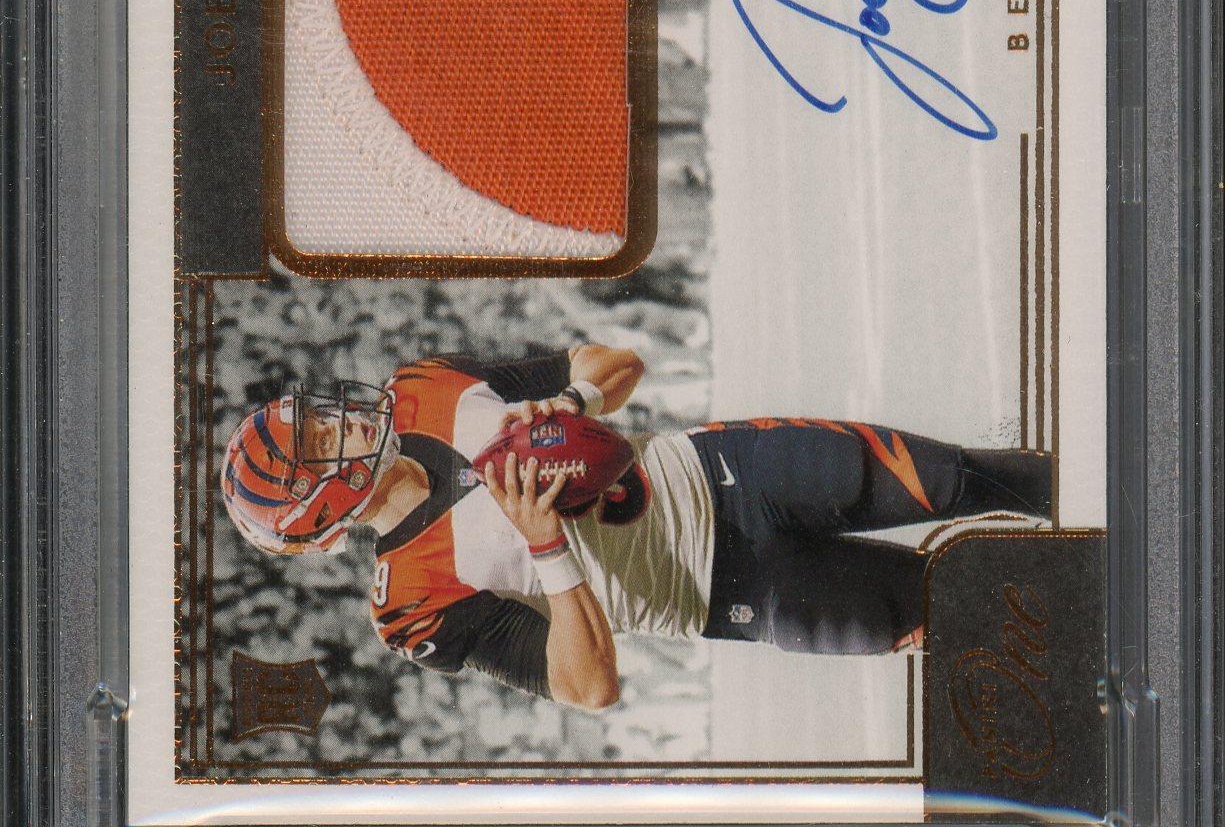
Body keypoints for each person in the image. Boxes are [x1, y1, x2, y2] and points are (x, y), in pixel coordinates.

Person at [221, 342, 1051, 709]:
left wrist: (571, 399)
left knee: (983, 479)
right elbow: (587, 688)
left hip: (726, 470)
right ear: (319, 506)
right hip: (734, 591)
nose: (338, 420)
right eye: (318, 440)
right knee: (998, 615)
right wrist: (545, 546)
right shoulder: (411, 602)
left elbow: (612, 362)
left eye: (317, 416)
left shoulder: (422, 388)